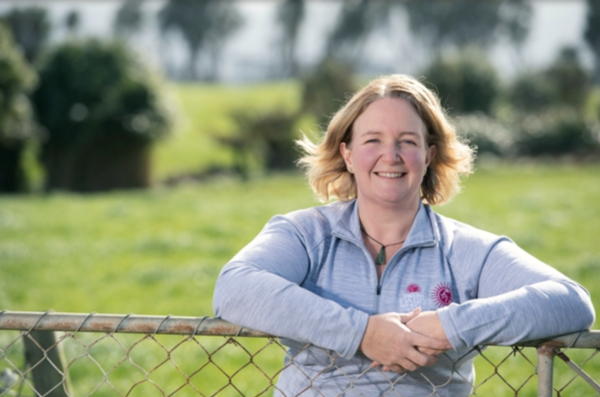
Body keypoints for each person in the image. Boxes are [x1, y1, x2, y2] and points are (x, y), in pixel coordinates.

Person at [213, 74, 595, 396]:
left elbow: (571, 302)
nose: (391, 155)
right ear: (347, 154)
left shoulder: (466, 250)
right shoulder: (304, 233)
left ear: (428, 155)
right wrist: (362, 333)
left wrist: (450, 326)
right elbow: (234, 286)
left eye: (407, 141)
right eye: (373, 140)